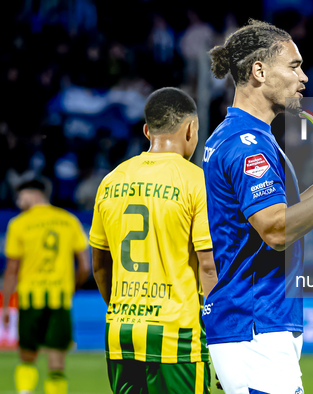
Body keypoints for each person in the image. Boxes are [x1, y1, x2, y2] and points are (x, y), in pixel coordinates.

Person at [203, 19, 313, 394]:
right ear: (259, 71)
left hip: (254, 323)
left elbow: (280, 218)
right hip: (256, 323)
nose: (303, 78)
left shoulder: (248, 137)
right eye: (293, 66)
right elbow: (275, 230)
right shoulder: (247, 144)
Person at [90, 88, 217, 394]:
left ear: (148, 130)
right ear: (191, 130)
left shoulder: (111, 180)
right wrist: (220, 339)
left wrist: (124, 309)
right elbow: (209, 267)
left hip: (121, 333)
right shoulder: (196, 181)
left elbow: (99, 265)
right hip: (177, 336)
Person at [3, 178, 90, 394]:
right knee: (57, 363)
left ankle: (25, 391)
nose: (17, 201)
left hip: (30, 297)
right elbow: (85, 266)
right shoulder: (68, 220)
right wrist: (72, 287)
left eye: (21, 195)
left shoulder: (18, 223)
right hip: (60, 298)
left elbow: (12, 269)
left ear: (33, 195)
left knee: (27, 356)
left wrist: (6, 305)